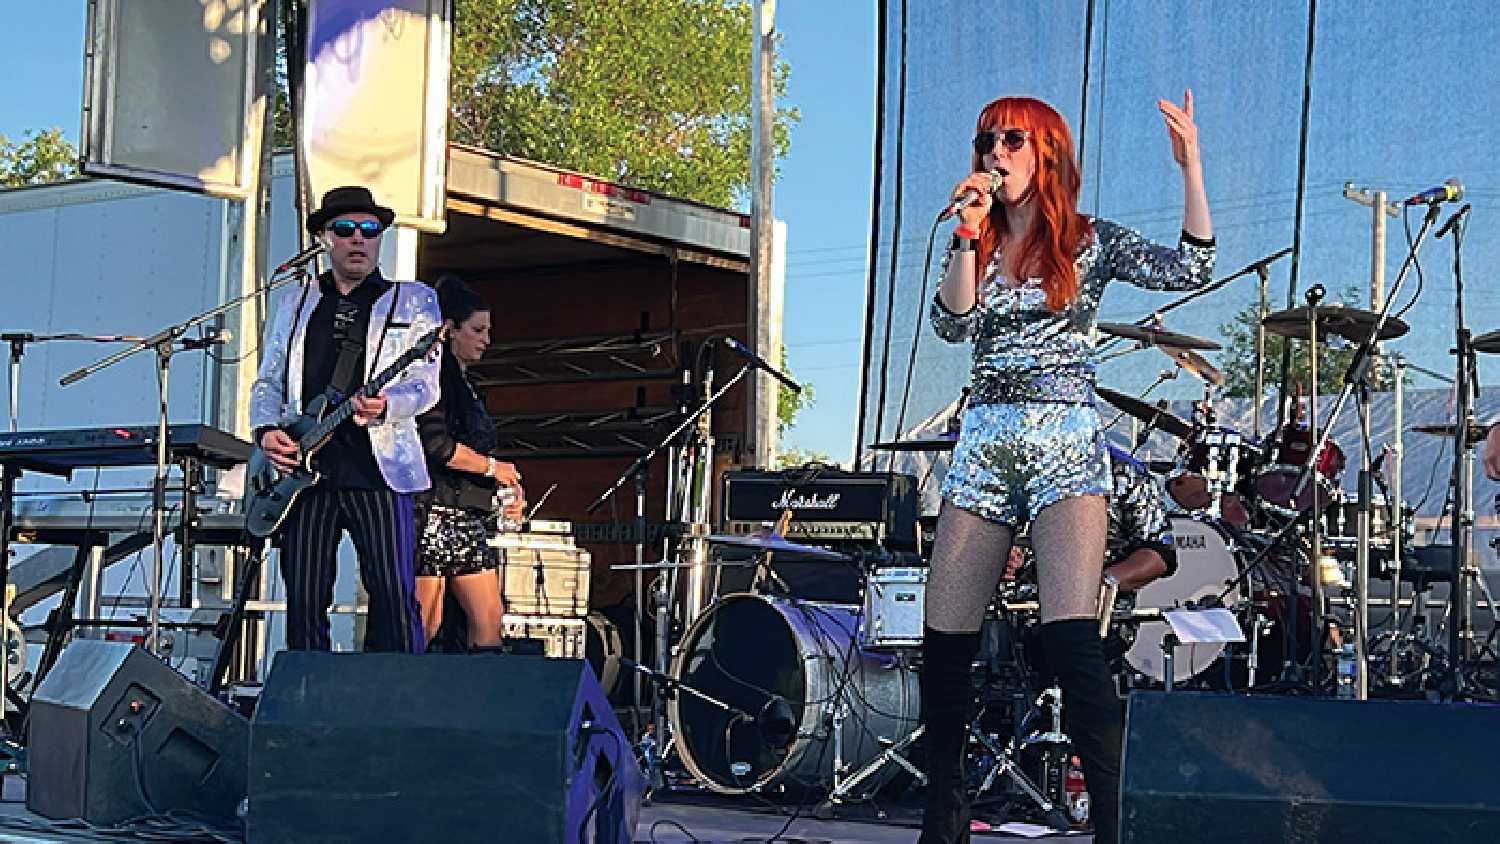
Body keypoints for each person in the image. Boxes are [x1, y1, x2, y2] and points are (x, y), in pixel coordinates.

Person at [919, 93, 1213, 844]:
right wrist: (966, 231)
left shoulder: (1089, 241)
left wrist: (1191, 168)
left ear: (1046, 152)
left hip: (1064, 445)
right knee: (945, 641)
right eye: (986, 139)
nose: (995, 151)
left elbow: (1192, 264)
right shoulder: (976, 242)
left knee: (1070, 636)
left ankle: (1114, 824)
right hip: (986, 437)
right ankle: (944, 819)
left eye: (1011, 139)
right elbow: (952, 324)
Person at [251, 185, 441, 654]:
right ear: (324, 238)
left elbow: (426, 385)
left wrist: (388, 404)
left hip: (377, 467)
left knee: (393, 593)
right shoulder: (295, 301)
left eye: (370, 230)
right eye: (345, 229)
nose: (359, 238)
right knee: (305, 595)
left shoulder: (412, 300)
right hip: (304, 472)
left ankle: (398, 700)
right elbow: (268, 380)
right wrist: (266, 431)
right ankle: (306, 704)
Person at [413, 276, 525, 648]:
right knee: (426, 621)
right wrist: (494, 468)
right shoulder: (432, 379)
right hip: (434, 511)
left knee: (489, 617)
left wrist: (502, 485)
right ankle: (409, 696)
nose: (486, 340)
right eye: (477, 330)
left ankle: (476, 696)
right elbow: (437, 445)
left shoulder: (468, 386)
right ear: (449, 329)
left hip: (467, 514)